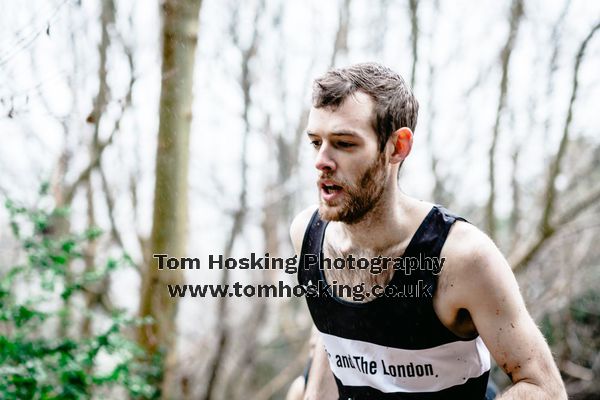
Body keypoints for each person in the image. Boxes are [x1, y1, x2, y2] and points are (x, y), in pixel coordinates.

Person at [288, 62, 566, 399]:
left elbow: (544, 387)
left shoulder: (462, 258)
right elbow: (331, 341)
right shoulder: (306, 234)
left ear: (397, 147)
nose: (322, 161)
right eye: (316, 143)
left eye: (345, 144)